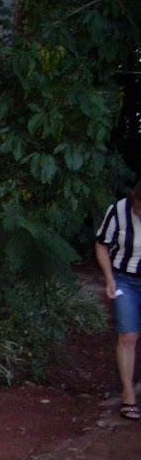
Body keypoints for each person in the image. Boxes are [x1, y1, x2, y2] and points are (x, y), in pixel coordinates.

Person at [95, 180, 141, 422]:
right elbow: (102, 244)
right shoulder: (118, 211)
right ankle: (128, 395)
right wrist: (109, 277)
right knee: (128, 336)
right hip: (125, 279)